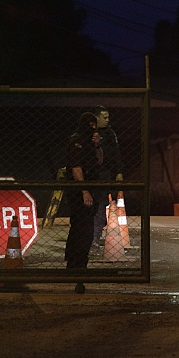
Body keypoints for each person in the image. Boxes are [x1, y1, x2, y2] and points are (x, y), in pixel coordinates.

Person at [64, 112, 103, 269]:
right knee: (83, 227)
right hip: (79, 190)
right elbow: (76, 167)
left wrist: (97, 145)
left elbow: (99, 161)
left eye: (95, 125)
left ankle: (76, 261)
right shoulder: (77, 140)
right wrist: (84, 191)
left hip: (90, 186)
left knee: (83, 225)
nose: (93, 128)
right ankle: (77, 261)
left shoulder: (90, 142)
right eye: (90, 125)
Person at [90, 105, 123, 249]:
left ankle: (94, 238)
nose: (107, 120)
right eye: (105, 117)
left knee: (101, 205)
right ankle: (87, 237)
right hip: (89, 175)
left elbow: (116, 153)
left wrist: (119, 171)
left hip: (104, 174)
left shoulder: (109, 133)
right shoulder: (87, 132)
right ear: (96, 118)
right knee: (88, 207)